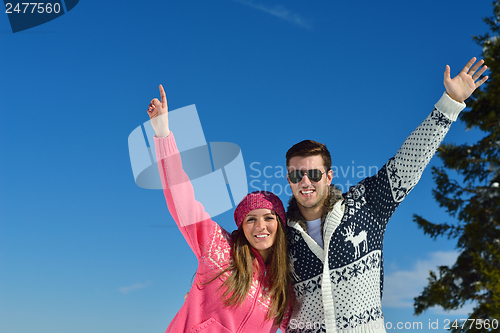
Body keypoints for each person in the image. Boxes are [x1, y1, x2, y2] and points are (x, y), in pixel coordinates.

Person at [283, 58, 489, 333]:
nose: (305, 182)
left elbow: (407, 163)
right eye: (297, 175)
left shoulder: (365, 205)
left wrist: (450, 103)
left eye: (314, 174)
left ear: (329, 176)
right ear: (289, 180)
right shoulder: (280, 234)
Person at [146, 85, 293, 333]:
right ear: (241, 226)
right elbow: (181, 198)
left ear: (280, 224)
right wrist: (163, 136)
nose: (260, 227)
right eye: (250, 220)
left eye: (268, 218)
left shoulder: (281, 289)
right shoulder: (219, 248)